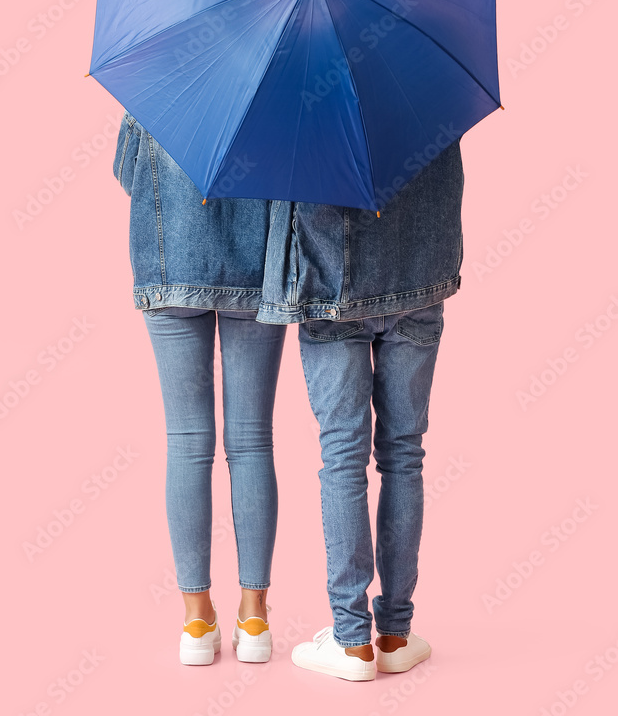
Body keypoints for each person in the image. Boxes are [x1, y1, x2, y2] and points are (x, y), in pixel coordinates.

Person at [256, 136, 465, 682]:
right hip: (420, 284)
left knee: (343, 459)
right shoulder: (426, 80)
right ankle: (395, 634)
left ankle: (352, 644)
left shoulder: (305, 95)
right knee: (403, 455)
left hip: (332, 285)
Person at [113, 110, 286, 666]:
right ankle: (254, 617)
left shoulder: (158, 82)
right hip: (256, 271)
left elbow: (126, 172)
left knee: (187, 442)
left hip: (168, 266)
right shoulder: (277, 81)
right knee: (253, 441)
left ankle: (196, 620)